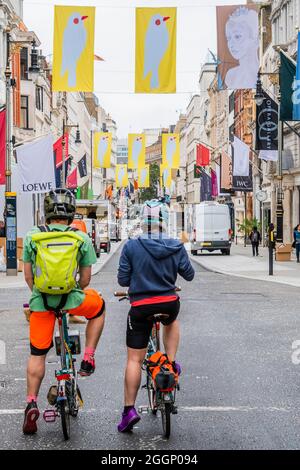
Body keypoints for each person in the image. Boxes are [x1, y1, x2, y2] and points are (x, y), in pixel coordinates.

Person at [22, 189, 106, 435]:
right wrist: (70, 295)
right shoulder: (80, 238)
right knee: (99, 308)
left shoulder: (32, 237)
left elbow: (28, 276)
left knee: (37, 354)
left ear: (47, 212)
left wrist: (41, 295)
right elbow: (86, 279)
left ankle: (30, 403)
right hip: (71, 299)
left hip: (42, 304)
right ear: (70, 213)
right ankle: (89, 356)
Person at [117, 199, 195, 432]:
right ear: (164, 221)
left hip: (141, 305)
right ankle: (170, 364)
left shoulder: (131, 246)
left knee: (134, 360)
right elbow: (189, 275)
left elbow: (122, 280)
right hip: (169, 302)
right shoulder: (175, 245)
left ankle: (129, 411)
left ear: (143, 221)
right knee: (172, 319)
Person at [224, 6, 259, 90]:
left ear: (254, 38)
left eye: (237, 36)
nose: (231, 44)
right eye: (229, 38)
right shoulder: (231, 76)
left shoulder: (261, 71)